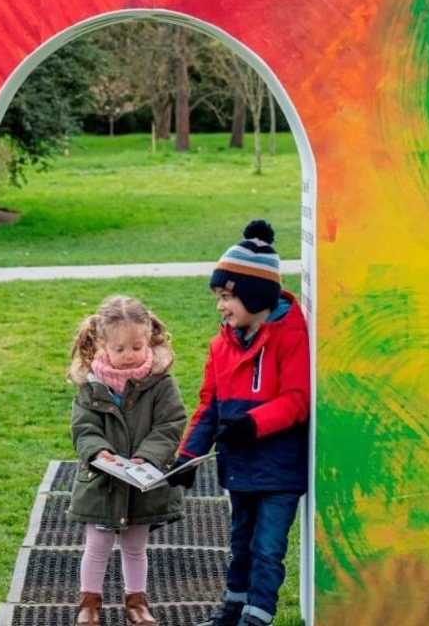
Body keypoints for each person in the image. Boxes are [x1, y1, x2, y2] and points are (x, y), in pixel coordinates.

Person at [171, 220, 310, 626]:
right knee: (240, 543)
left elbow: (297, 400)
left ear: (254, 294)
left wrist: (252, 424)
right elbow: (208, 406)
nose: (221, 306)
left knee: (268, 547)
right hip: (240, 469)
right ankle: (233, 608)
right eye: (219, 296)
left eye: (228, 296)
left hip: (280, 469)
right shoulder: (221, 344)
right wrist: (187, 456)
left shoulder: (291, 335)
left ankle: (258, 615)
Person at [68, 295, 187, 626]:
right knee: (98, 544)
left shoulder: (161, 383)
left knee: (136, 546)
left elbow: (171, 424)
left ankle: (137, 601)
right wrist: (97, 452)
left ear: (148, 338)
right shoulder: (91, 386)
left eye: (136, 346)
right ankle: (89, 602)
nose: (129, 355)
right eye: (119, 349)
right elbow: (83, 427)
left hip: (143, 482)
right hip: (102, 482)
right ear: (102, 344)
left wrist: (145, 457)